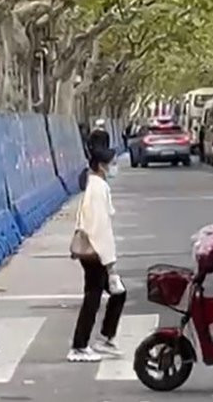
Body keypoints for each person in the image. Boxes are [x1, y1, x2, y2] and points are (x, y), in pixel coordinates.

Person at [68, 148, 126, 363]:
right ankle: (80, 346)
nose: (114, 167)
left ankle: (104, 338)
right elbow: (99, 228)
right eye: (112, 163)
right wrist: (110, 263)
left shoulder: (96, 186)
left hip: (95, 252)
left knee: (116, 293)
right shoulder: (97, 188)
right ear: (102, 165)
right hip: (96, 252)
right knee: (94, 297)